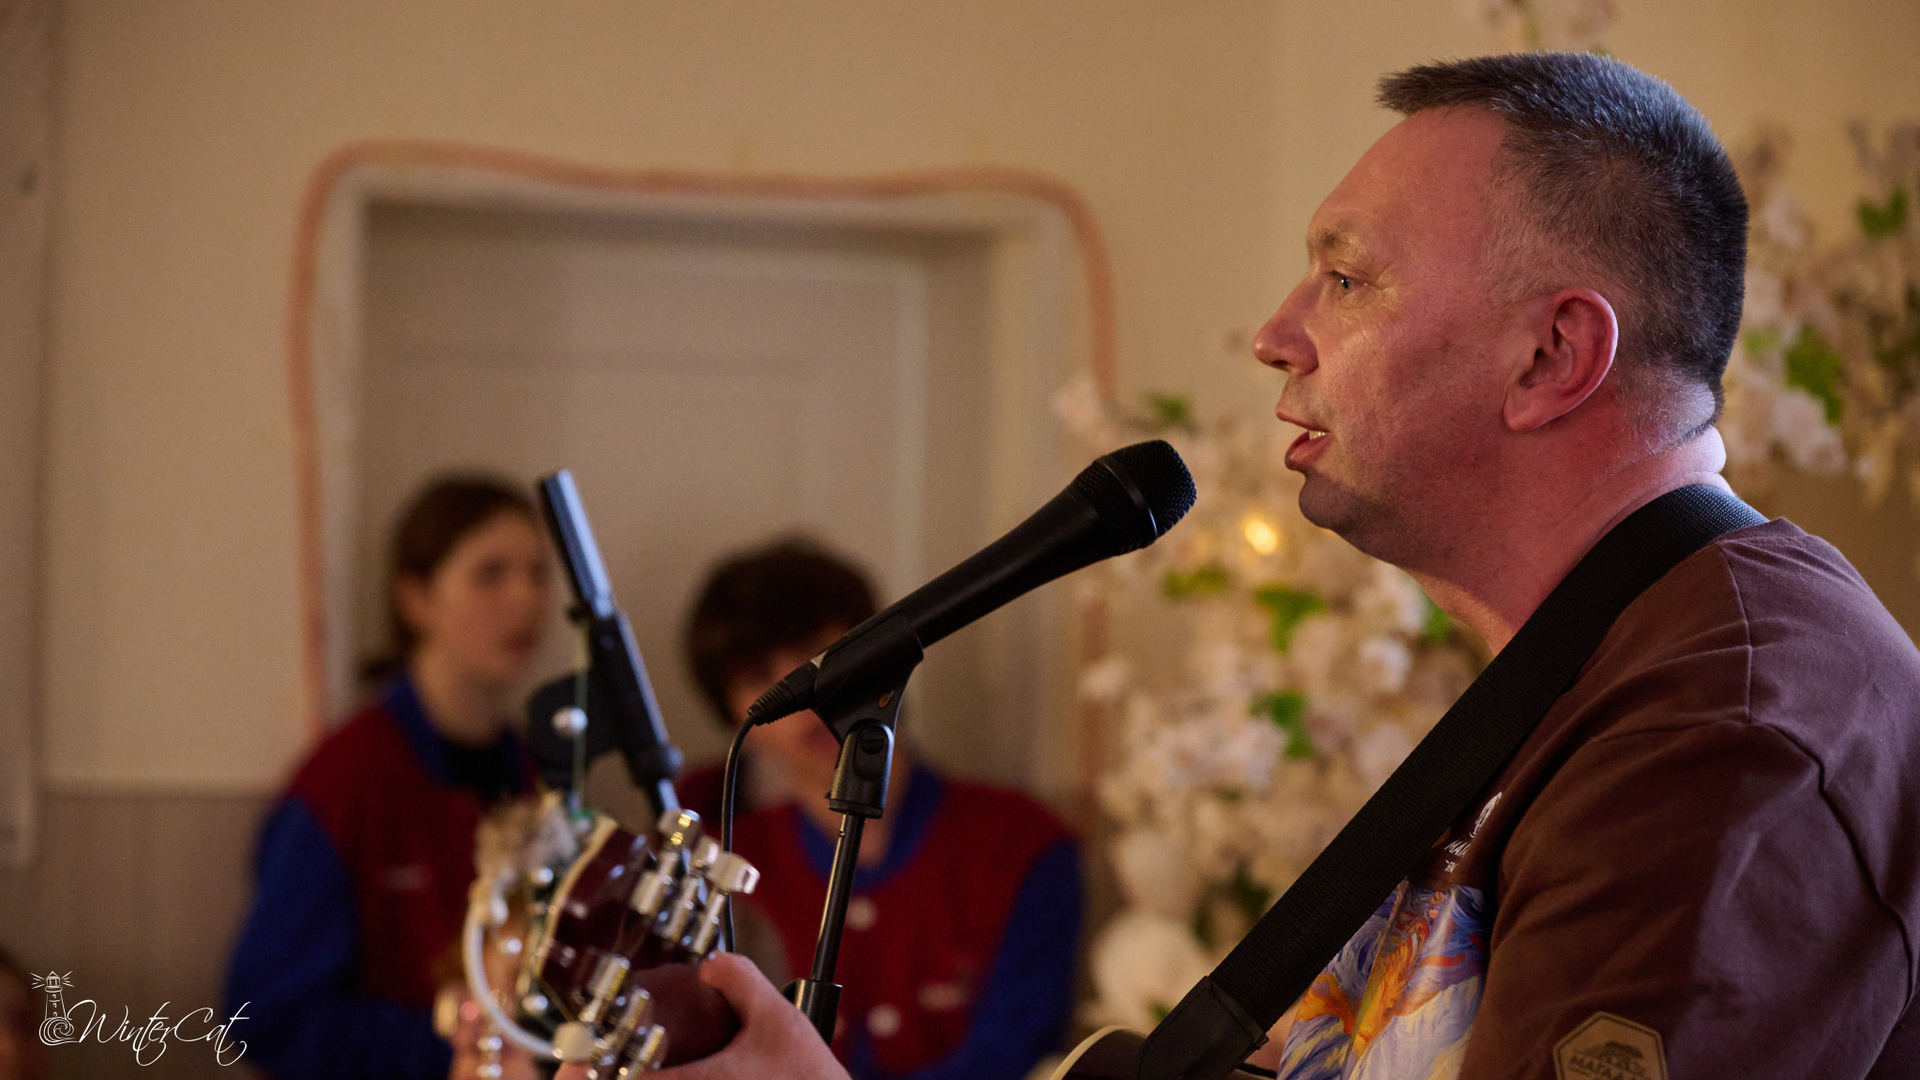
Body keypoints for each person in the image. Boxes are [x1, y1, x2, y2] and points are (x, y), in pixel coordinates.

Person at [563, 52, 1920, 1080]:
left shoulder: (1726, 729)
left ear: (1552, 355)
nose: (1276, 333)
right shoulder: (1590, 662)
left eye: (1347, 279)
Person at [673, 539, 1082, 1080]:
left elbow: (1015, 1051)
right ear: (735, 717)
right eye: (759, 676)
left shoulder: (1022, 842)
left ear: (886, 656)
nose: (806, 696)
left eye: (818, 654)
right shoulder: (726, 867)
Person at [226, 475, 554, 1079]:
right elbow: (266, 1016)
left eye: (539, 573)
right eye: (491, 574)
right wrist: (465, 1043)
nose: (527, 598)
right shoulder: (346, 781)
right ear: (416, 600)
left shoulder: (533, 773)